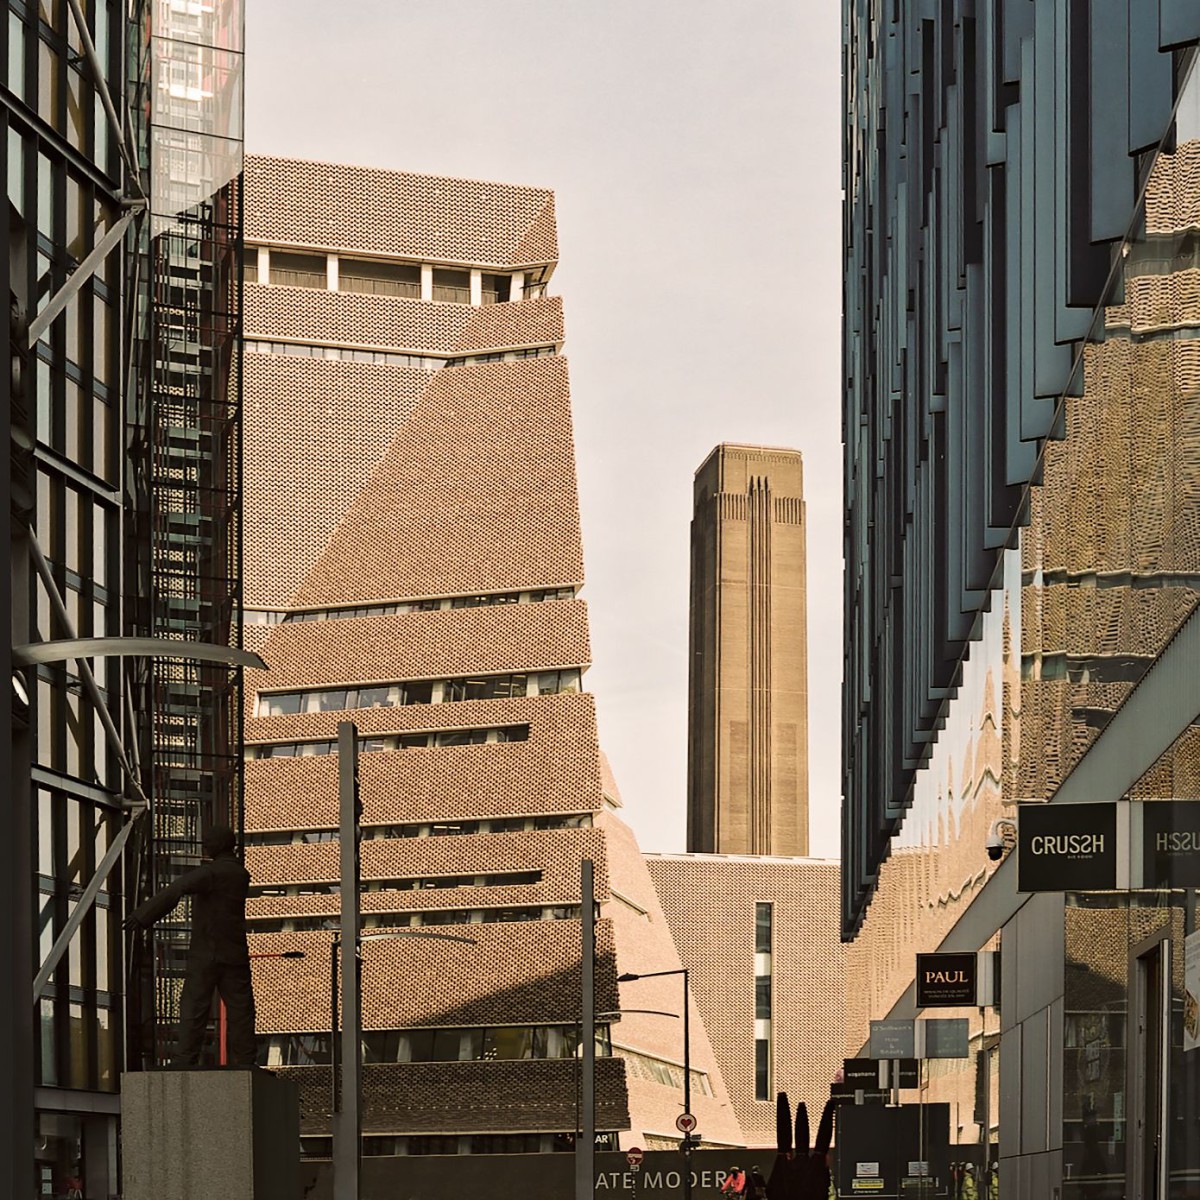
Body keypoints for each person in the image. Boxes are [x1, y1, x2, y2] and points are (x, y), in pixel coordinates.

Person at [123, 824, 257, 1066]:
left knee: (194, 1006)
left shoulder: (213, 873)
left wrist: (143, 916)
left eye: (208, 841)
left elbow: (178, 887)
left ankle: (185, 1058)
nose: (204, 845)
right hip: (234, 951)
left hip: (207, 951)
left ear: (219, 844)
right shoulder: (239, 873)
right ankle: (246, 1061)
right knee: (241, 1010)